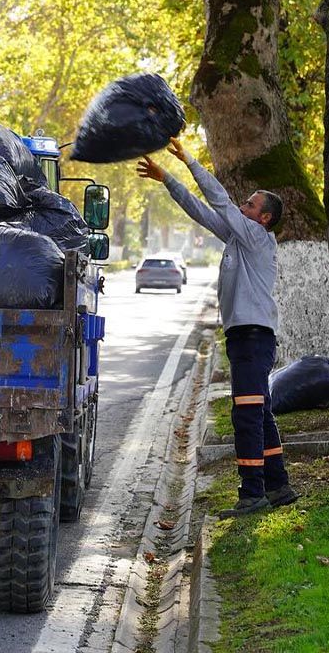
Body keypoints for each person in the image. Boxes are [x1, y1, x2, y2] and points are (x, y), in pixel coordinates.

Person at [137, 138, 298, 518]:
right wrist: (168, 180)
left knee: (245, 414)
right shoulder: (239, 240)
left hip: (253, 337)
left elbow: (220, 201)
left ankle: (252, 494)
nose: (242, 207)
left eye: (250, 205)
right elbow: (201, 211)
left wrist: (190, 161)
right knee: (259, 412)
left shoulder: (256, 238)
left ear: (263, 219)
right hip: (247, 336)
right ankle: (278, 486)